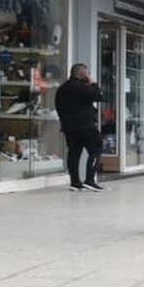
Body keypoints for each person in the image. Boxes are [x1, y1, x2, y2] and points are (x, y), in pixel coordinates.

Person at [55, 63, 104, 192]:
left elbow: (58, 107)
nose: (89, 75)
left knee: (74, 154)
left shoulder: (62, 89)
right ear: (82, 74)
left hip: (69, 127)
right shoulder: (82, 87)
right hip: (86, 126)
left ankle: (75, 182)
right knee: (96, 150)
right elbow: (99, 96)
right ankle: (90, 179)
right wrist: (93, 83)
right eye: (87, 73)